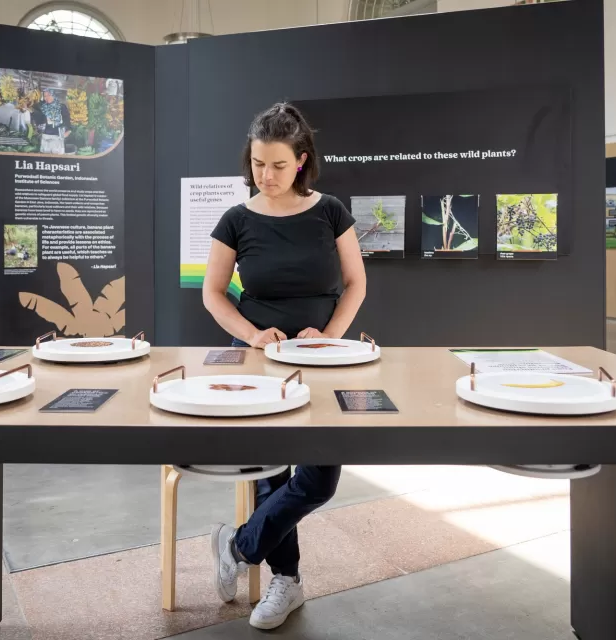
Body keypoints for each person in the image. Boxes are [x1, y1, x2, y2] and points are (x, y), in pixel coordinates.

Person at [202, 102, 367, 630]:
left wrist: (331, 339)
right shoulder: (236, 218)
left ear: (301, 161)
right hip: (257, 362)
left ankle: (236, 545)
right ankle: (286, 581)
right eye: (256, 164)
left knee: (320, 479)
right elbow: (213, 294)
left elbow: (356, 283)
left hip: (323, 363)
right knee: (271, 474)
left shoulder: (331, 211)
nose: (265, 176)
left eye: (276, 165)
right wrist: (252, 334)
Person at [34, 88, 71, 155]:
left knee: (58, 158)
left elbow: (67, 119)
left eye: (49, 95)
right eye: (45, 96)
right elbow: (34, 111)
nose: (47, 98)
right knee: (45, 158)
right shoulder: (41, 107)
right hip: (46, 136)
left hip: (58, 137)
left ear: (54, 95)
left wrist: (68, 130)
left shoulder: (61, 106)